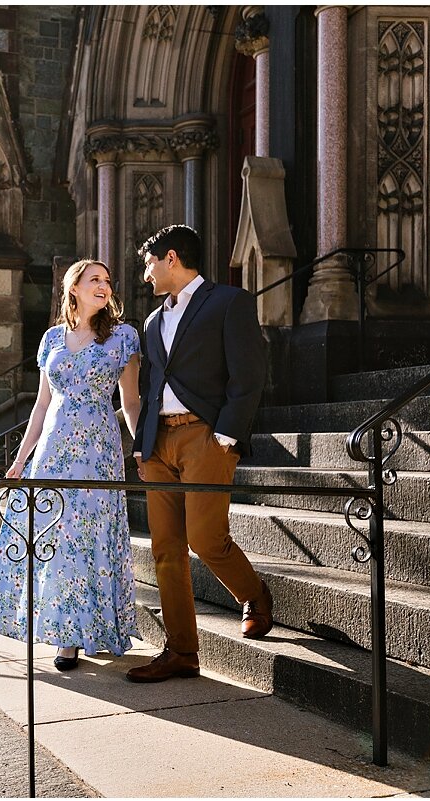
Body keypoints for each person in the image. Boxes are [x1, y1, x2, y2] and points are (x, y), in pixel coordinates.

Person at [0, 259, 142, 671]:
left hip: (97, 454)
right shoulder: (52, 338)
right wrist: (20, 460)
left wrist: (143, 446)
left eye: (107, 280)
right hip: (52, 453)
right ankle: (65, 635)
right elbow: (42, 404)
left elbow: (131, 400)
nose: (103, 286)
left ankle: (99, 628)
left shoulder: (123, 337)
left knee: (90, 538)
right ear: (75, 289)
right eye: (95, 280)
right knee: (55, 539)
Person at [126, 224, 272, 684]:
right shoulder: (152, 322)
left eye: (148, 264)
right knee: (167, 549)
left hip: (204, 438)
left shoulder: (229, 302)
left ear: (172, 259)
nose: (145, 274)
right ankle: (182, 652)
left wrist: (226, 436)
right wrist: (142, 443)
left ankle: (253, 594)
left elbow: (248, 374)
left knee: (206, 540)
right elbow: (149, 385)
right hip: (157, 445)